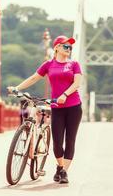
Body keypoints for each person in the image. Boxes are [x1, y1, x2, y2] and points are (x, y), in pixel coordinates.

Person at [7, 35, 82, 184]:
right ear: (56, 48)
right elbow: (34, 78)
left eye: (70, 47)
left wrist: (65, 95)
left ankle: (64, 172)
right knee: (57, 143)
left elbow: (77, 83)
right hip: (57, 107)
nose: (69, 49)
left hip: (73, 106)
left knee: (70, 140)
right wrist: (17, 88)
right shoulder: (48, 65)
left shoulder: (74, 64)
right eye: (66, 46)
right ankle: (60, 167)